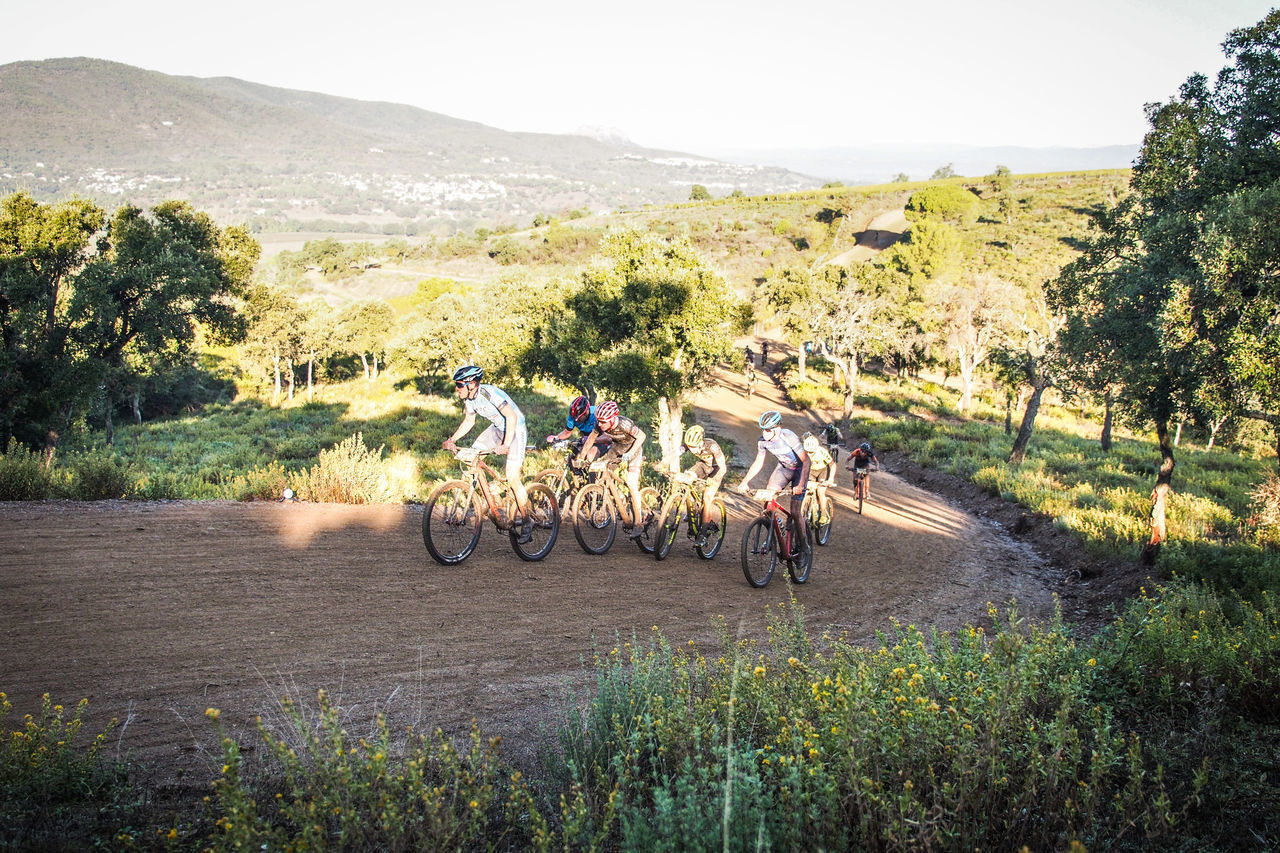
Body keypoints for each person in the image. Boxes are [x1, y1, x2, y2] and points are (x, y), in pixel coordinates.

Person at [443, 365, 533, 541]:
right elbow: (469, 421)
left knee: (512, 476)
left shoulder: (488, 393)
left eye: (460, 384)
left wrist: (506, 445)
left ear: (472, 384)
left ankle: (527, 520)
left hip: (515, 431)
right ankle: (492, 498)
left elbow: (512, 417)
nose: (457, 388)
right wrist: (452, 439)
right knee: (472, 458)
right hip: (497, 428)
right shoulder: (469, 399)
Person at [736, 410, 811, 557]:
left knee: (795, 511)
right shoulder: (762, 442)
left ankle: (804, 547)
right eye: (763, 430)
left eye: (768, 430)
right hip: (784, 468)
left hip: (799, 470)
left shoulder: (789, 436)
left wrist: (801, 484)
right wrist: (745, 482)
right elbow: (758, 462)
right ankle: (773, 533)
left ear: (778, 428)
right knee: (768, 500)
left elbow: (806, 460)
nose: (765, 433)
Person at [576, 400, 648, 538]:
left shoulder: (624, 424)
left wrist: (631, 453)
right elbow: (590, 439)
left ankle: (638, 523)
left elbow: (642, 436)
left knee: (632, 484)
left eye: (603, 422)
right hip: (616, 449)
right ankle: (619, 497)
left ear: (612, 418)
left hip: (633, 450)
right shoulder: (600, 424)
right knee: (600, 472)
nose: (600, 424)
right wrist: (581, 458)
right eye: (599, 421)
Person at [678, 424, 727, 547]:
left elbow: (723, 468)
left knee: (707, 497)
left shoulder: (713, 446)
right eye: (690, 446)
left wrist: (713, 481)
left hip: (716, 469)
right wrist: (665, 463)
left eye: (694, 446)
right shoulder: (688, 445)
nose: (692, 449)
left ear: (701, 442)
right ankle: (692, 511)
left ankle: (703, 534)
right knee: (686, 480)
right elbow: (675, 454)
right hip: (703, 466)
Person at [544, 394, 610, 464]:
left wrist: (591, 440)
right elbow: (567, 432)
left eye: (579, 417)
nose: (575, 420)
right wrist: (556, 437)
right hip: (587, 440)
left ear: (586, 412)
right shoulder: (572, 417)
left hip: (602, 439)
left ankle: (594, 474)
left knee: (590, 456)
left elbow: (608, 437)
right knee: (575, 459)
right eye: (574, 417)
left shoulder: (596, 414)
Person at [802, 433, 836, 526]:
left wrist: (830, 479)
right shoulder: (802, 451)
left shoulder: (822, 452)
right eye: (807, 451)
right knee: (805, 491)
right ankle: (804, 512)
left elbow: (832, 465)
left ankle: (824, 515)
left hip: (822, 471)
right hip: (811, 471)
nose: (809, 454)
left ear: (816, 449)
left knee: (820, 492)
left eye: (811, 452)